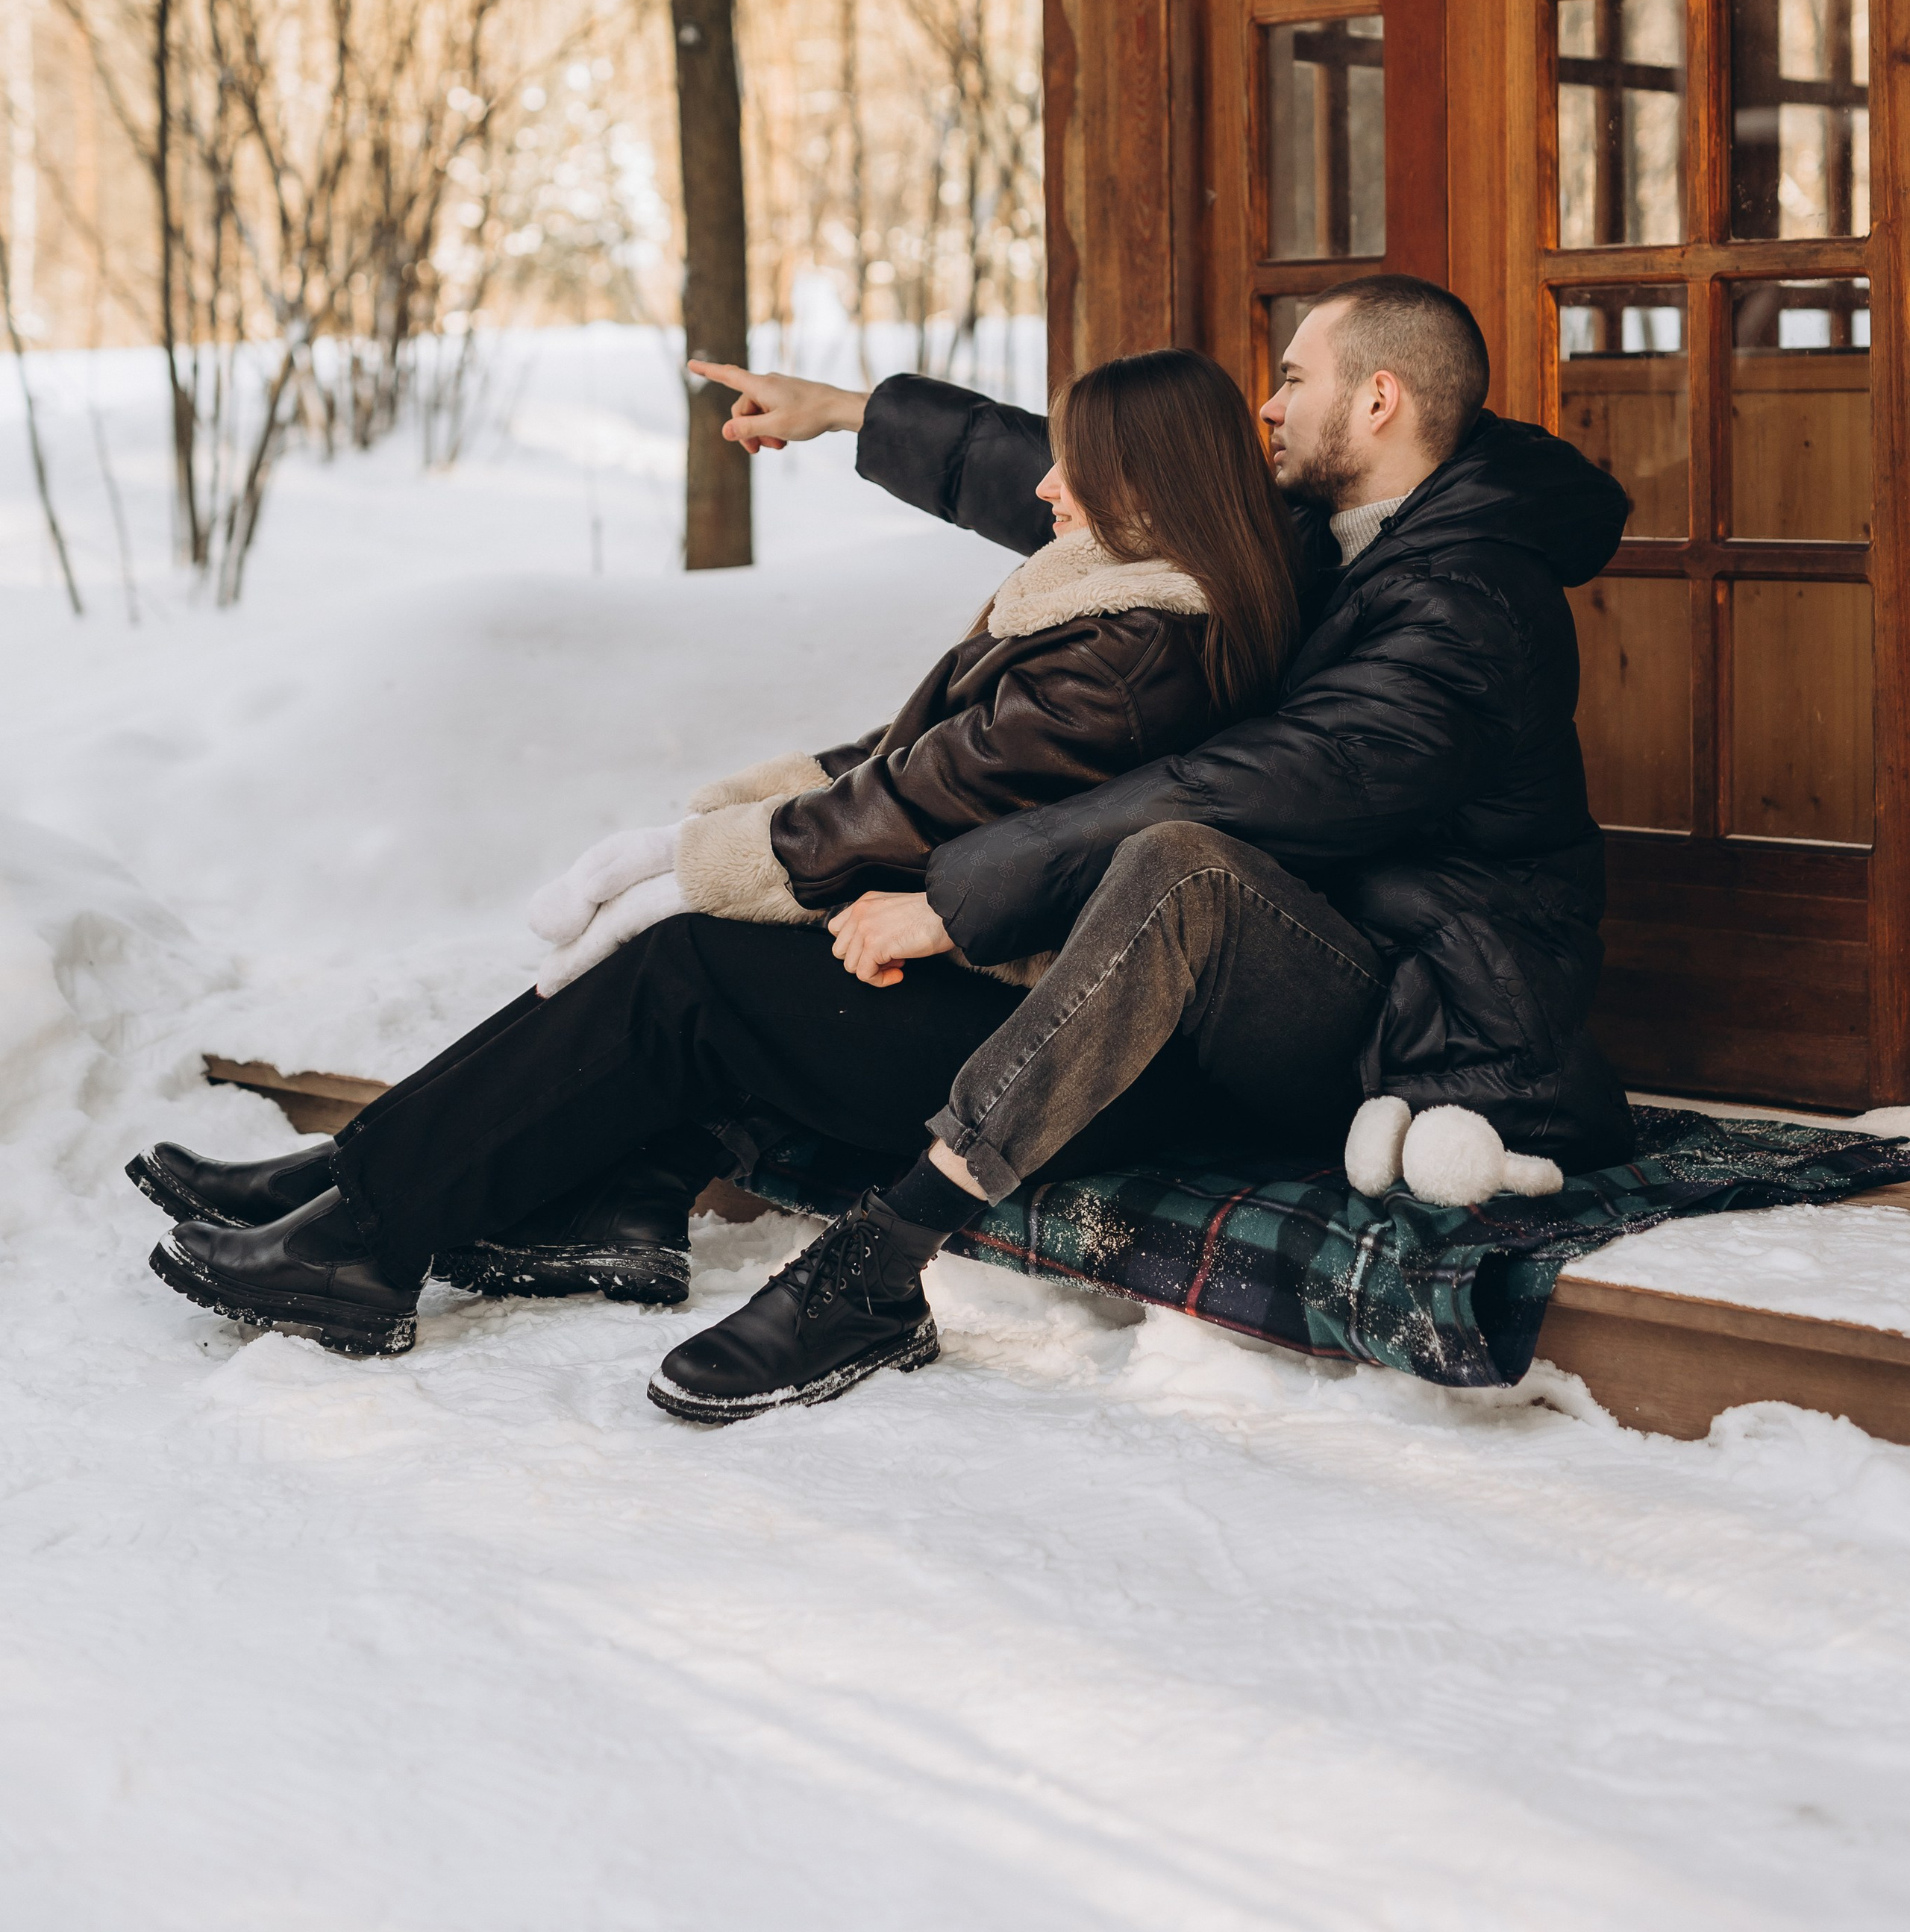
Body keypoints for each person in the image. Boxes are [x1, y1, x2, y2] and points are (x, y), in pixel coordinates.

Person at [128, 348, 1303, 1374]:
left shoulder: (1135, 652)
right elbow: (926, 761)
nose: (1044, 483)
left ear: (1151, 479)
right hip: (1016, 999)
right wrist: (748, 811)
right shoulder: (1120, 608)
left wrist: (694, 857)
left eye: (1075, 462)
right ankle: (374, 1184)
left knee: (685, 967)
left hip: (1059, 1065)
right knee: (684, 950)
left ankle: (363, 1237)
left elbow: (920, 802)